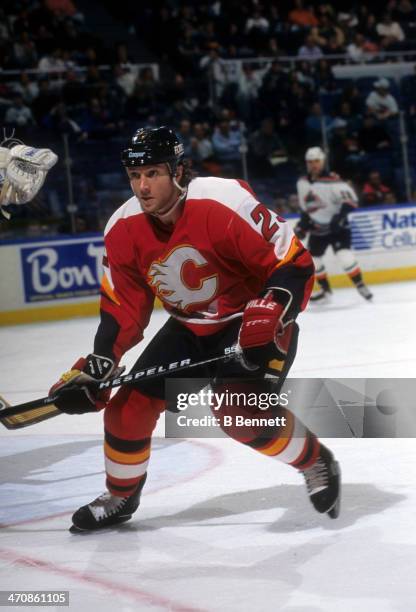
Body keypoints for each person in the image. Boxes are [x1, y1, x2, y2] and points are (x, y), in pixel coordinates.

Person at [49, 126, 341, 532]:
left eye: (153, 173)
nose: (142, 186)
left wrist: (272, 308)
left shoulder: (224, 200)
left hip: (253, 320)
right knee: (125, 410)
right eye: (135, 176)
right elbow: (124, 305)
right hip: (190, 327)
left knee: (238, 411)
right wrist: (102, 362)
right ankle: (121, 494)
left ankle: (316, 462)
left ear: (179, 171)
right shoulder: (122, 227)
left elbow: (291, 262)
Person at [294, 146, 373, 302]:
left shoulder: (334, 181)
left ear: (322, 162)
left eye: (316, 161)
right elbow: (305, 207)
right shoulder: (302, 183)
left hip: (338, 227)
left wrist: (338, 218)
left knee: (344, 256)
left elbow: (351, 202)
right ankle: (326, 291)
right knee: (312, 260)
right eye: (310, 162)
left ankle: (360, 285)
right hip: (318, 228)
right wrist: (303, 224)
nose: (313, 164)